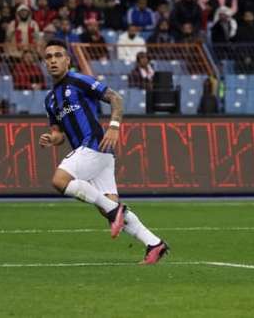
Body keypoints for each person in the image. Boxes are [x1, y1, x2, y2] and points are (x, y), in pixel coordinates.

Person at [39, 39, 169, 264]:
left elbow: (115, 98)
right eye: (48, 57)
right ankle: (154, 243)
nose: (53, 60)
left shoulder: (78, 80)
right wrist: (52, 138)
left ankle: (115, 211)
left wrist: (114, 126)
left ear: (68, 60)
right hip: (97, 155)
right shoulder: (50, 99)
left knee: (60, 181)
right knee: (107, 206)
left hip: (94, 145)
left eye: (58, 55)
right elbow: (59, 133)